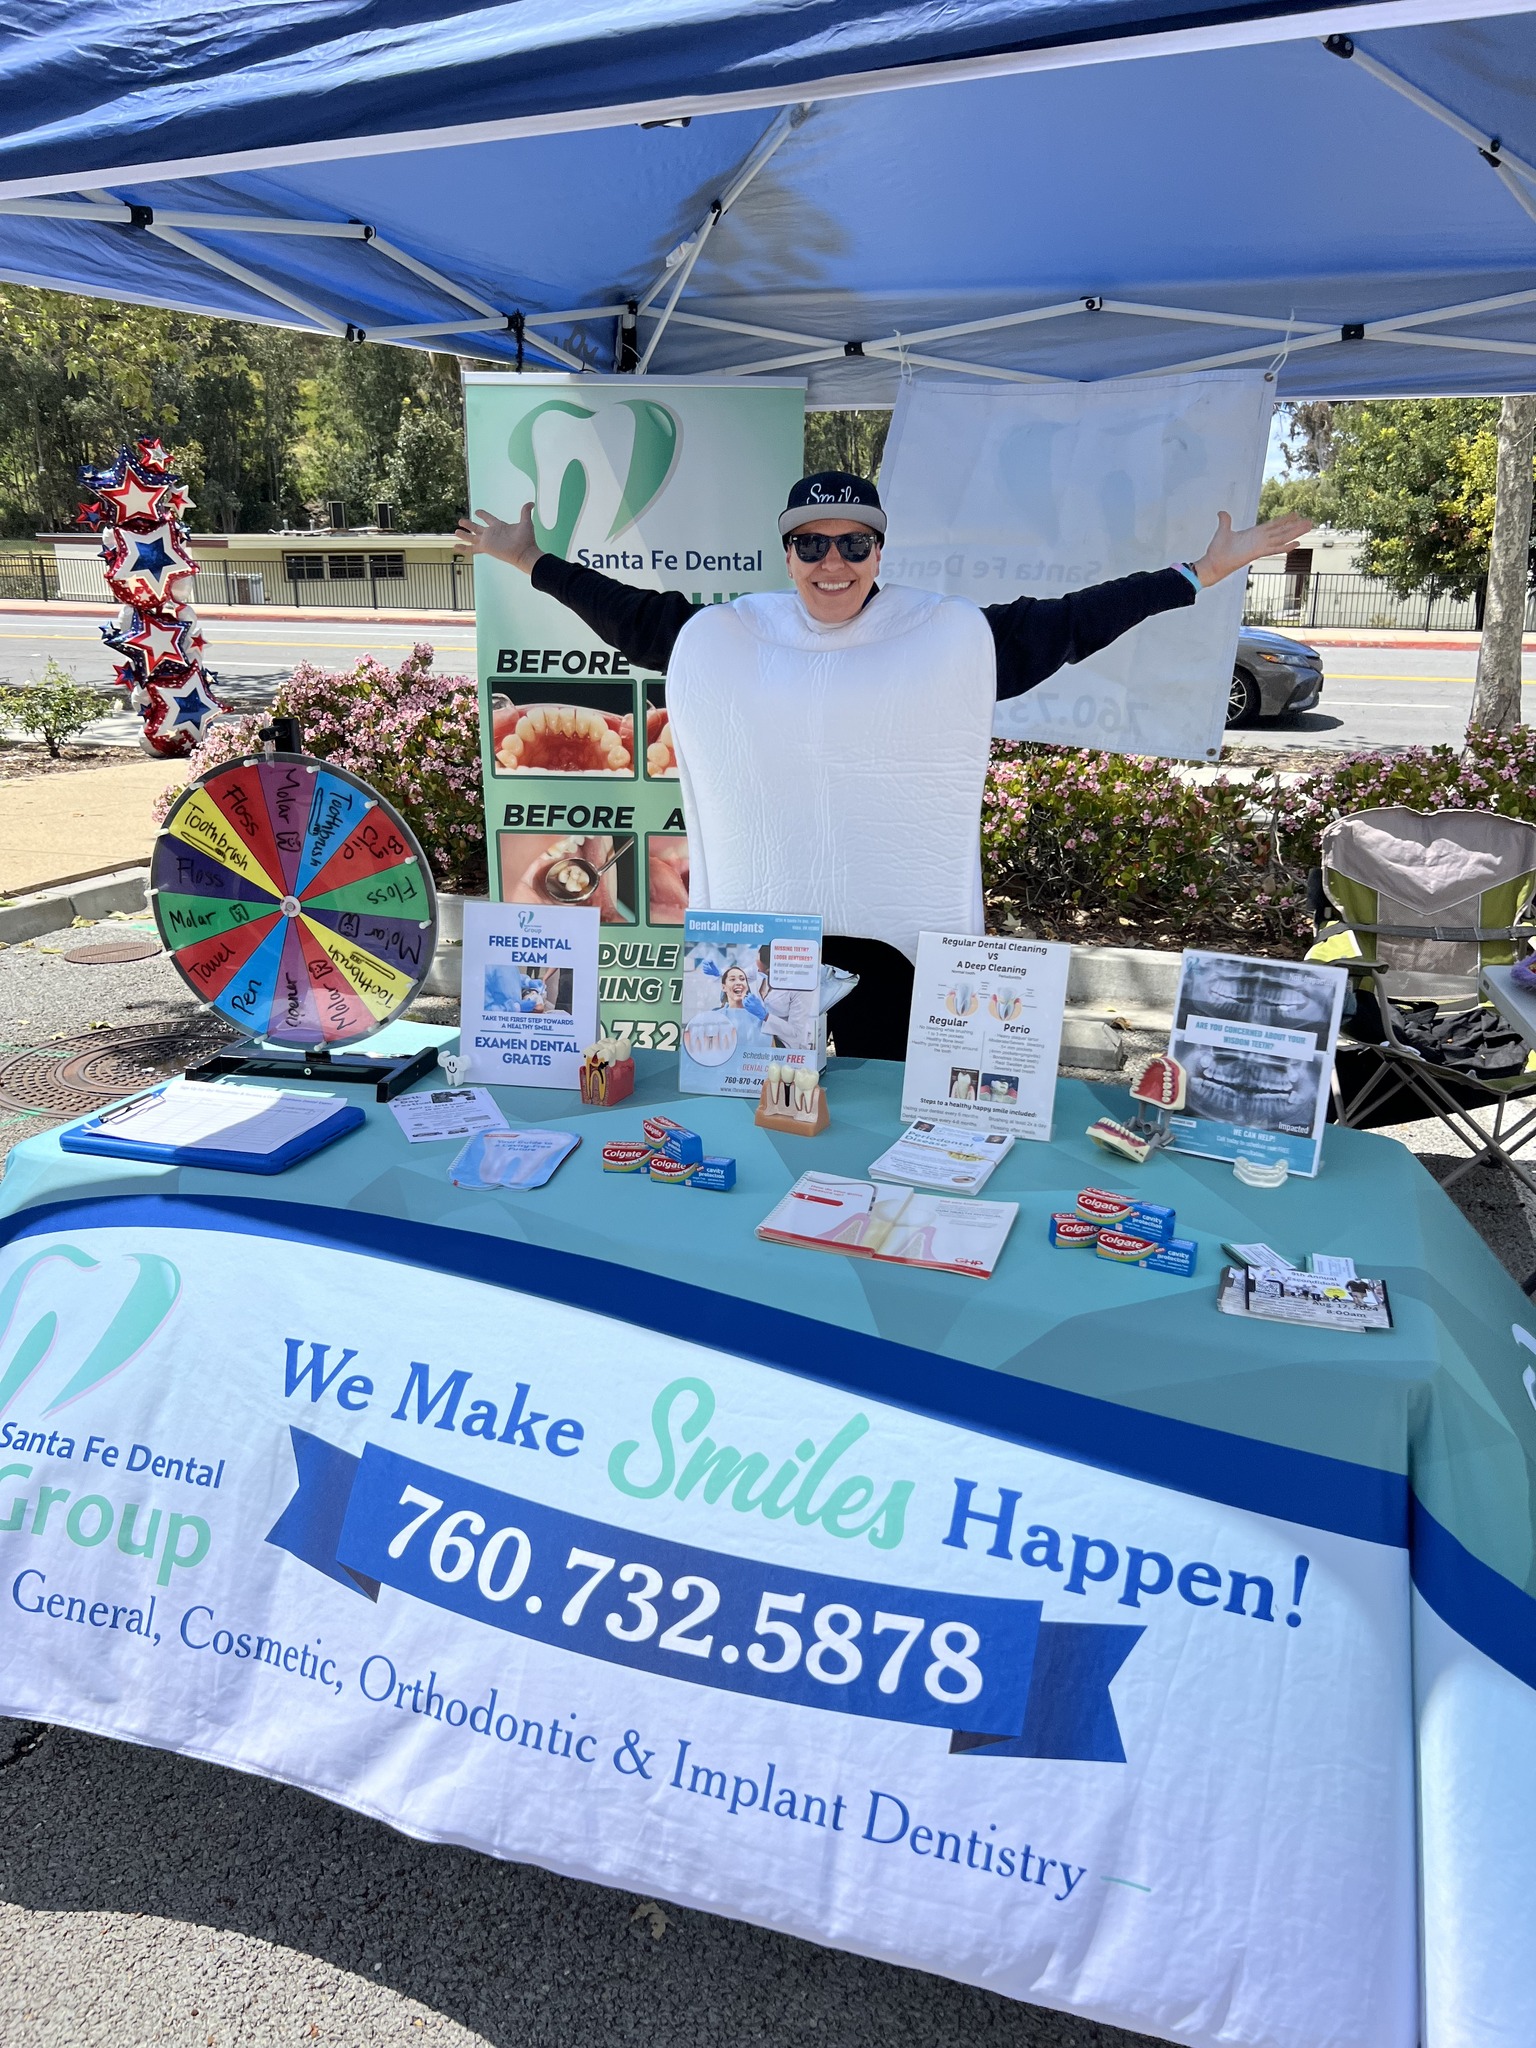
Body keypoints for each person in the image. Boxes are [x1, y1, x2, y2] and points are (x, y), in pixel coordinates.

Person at [457, 473, 1308, 1058]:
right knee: (758, 1110)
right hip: (766, 924)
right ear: (787, 553)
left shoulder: (948, 638)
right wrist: (528, 559)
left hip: (895, 926)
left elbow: (1076, 621)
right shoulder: (726, 637)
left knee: (891, 1098)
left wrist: (1198, 573)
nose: (833, 563)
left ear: (879, 551)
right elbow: (620, 610)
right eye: (813, 544)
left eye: (854, 544)